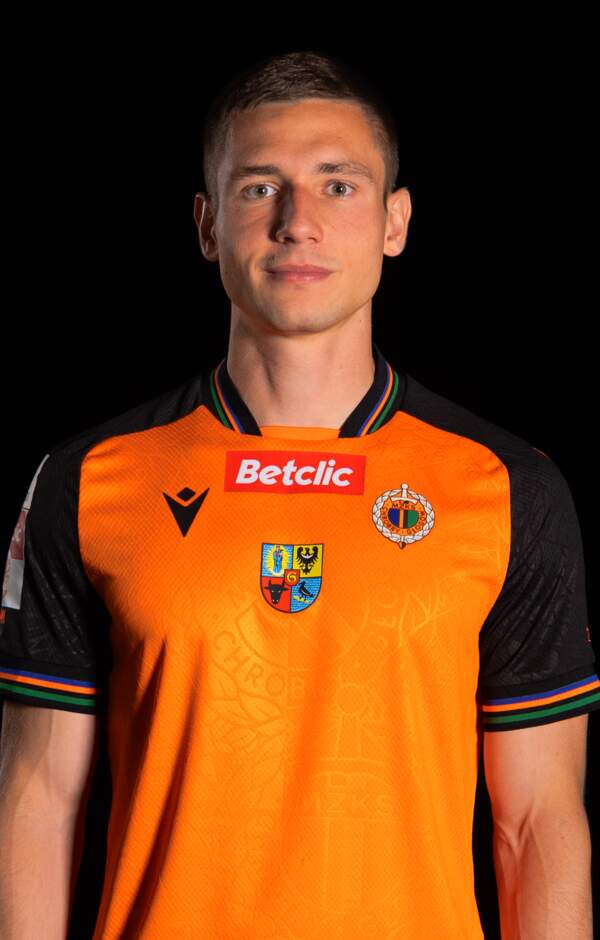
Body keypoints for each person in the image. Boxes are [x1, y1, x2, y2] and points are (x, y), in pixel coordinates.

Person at [0, 49, 598, 940]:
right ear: (208, 224)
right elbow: (40, 799)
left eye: (338, 186)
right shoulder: (87, 481)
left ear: (395, 221)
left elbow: (537, 822)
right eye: (259, 188)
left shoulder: (508, 489)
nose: (298, 223)